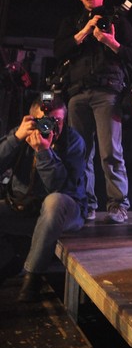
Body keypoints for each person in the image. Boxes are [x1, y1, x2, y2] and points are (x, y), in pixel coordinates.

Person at [53, 0, 132, 224]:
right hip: (77, 93)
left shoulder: (118, 21)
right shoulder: (72, 22)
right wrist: (85, 31)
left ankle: (118, 205)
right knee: (80, 154)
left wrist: (111, 42)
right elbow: (59, 51)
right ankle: (86, 204)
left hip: (107, 92)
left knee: (110, 151)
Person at [0, 95, 86, 302]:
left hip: (65, 212)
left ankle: (32, 277)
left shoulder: (73, 141)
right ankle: (9, 259)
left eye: (57, 121)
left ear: (65, 120)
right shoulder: (22, 133)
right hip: (26, 210)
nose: (50, 127)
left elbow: (60, 188)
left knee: (54, 201)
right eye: (43, 121)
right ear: (31, 119)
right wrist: (15, 139)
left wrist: (44, 152)